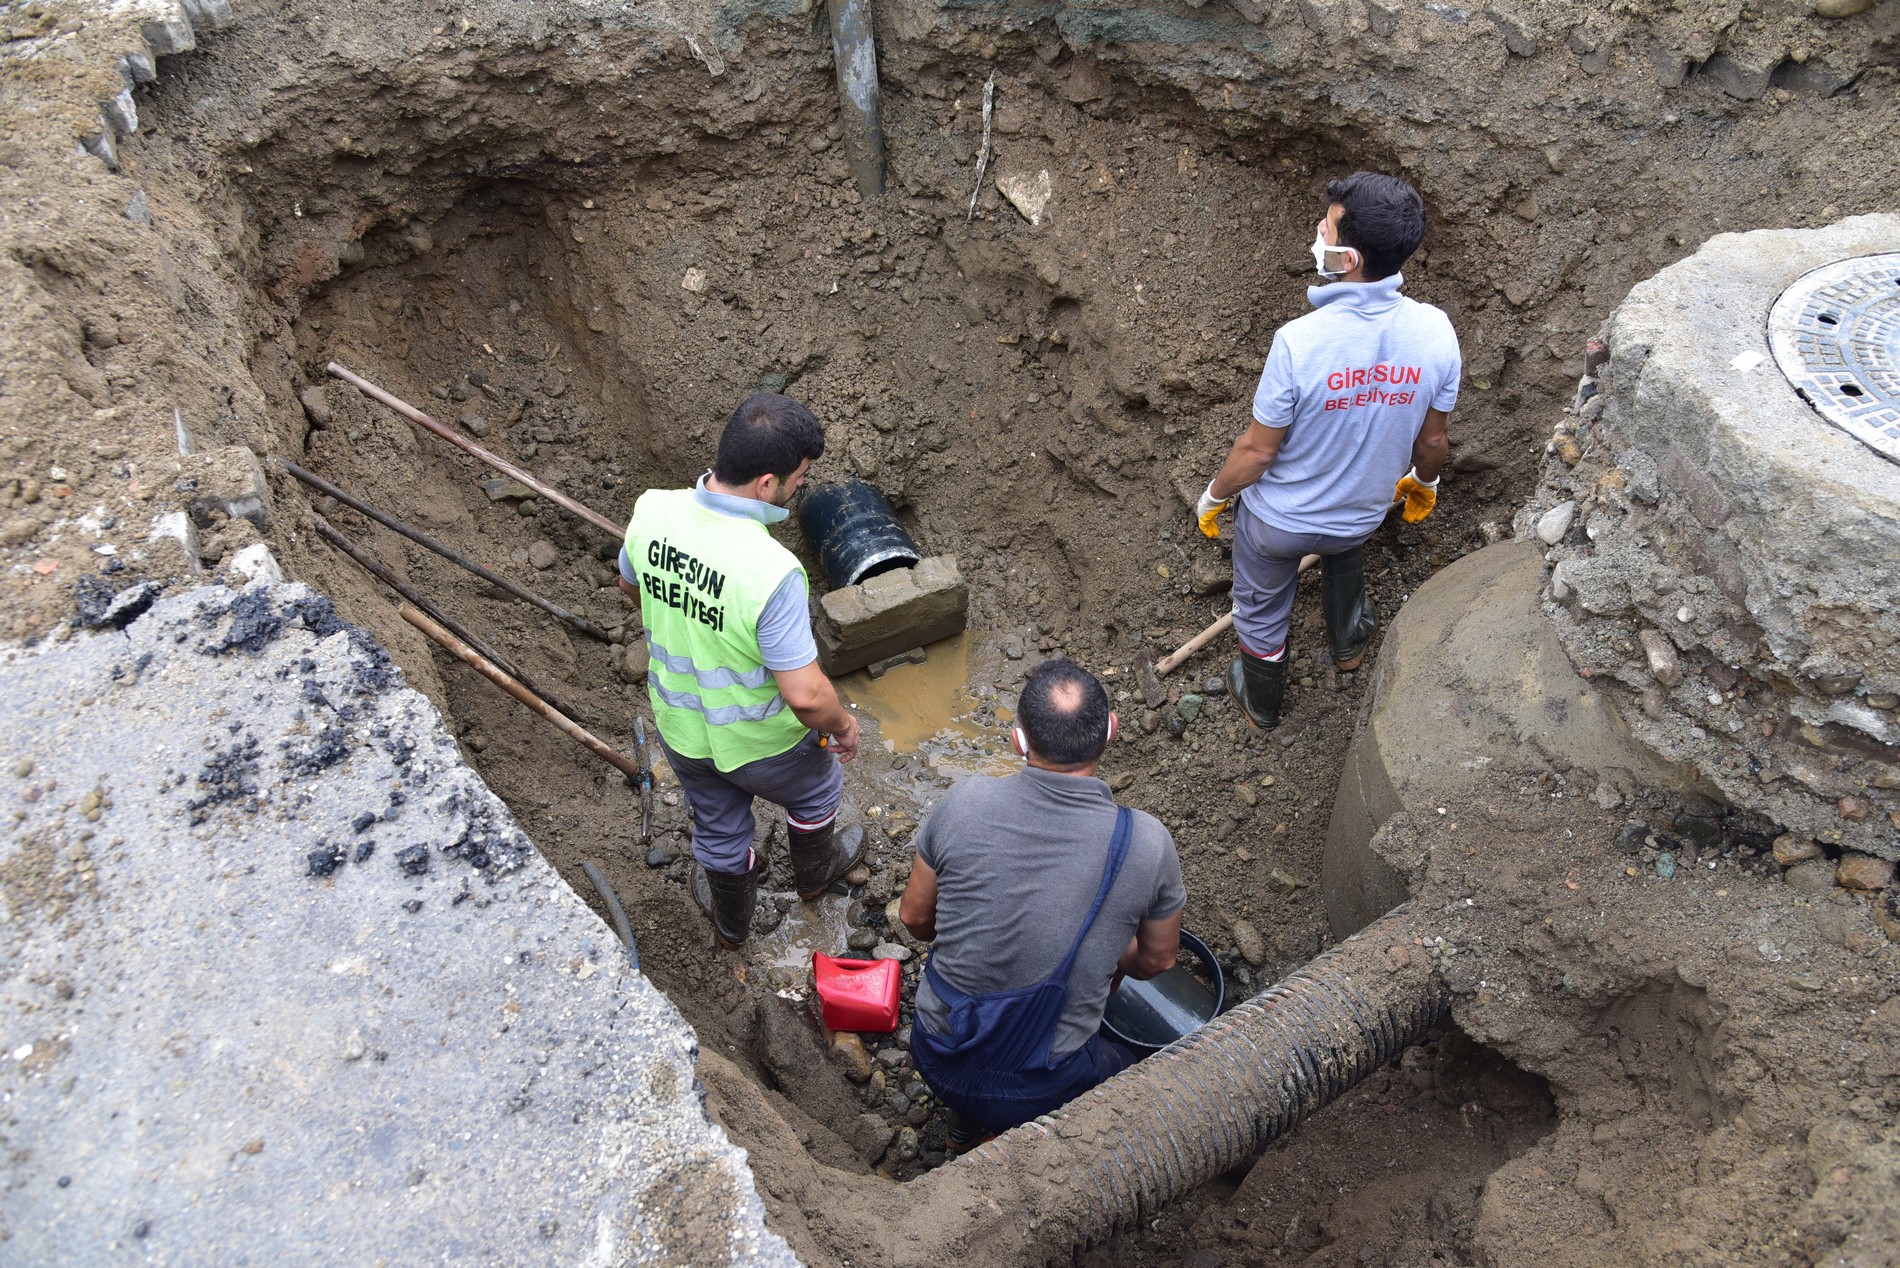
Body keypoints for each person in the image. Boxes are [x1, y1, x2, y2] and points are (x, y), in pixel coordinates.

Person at [1195, 171, 1462, 731]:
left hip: (1278, 526)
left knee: (1263, 606)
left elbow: (1258, 452)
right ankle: (1350, 641)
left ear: (1349, 257)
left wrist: (1214, 497)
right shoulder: (1436, 332)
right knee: (1344, 542)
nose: (1318, 234)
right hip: (1361, 516)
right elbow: (1432, 441)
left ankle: (1261, 699)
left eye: (1327, 228)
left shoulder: (1300, 340)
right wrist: (1426, 482)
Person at [898, 658, 1185, 1141]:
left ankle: (973, 1124)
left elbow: (913, 916)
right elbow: (1159, 958)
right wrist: (1108, 954)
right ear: (1111, 730)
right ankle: (1019, 1134)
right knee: (1132, 1072)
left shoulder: (963, 801)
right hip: (1044, 1087)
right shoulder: (1148, 844)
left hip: (937, 1055)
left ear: (1018, 740)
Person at [620, 393, 863, 948]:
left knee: (717, 824)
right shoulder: (771, 570)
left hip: (681, 726)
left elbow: (630, 584)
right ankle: (814, 874)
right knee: (818, 790)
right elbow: (805, 696)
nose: (800, 487)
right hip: (765, 745)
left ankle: (732, 924)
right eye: (798, 478)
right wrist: (843, 725)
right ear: (765, 485)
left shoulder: (653, 508)